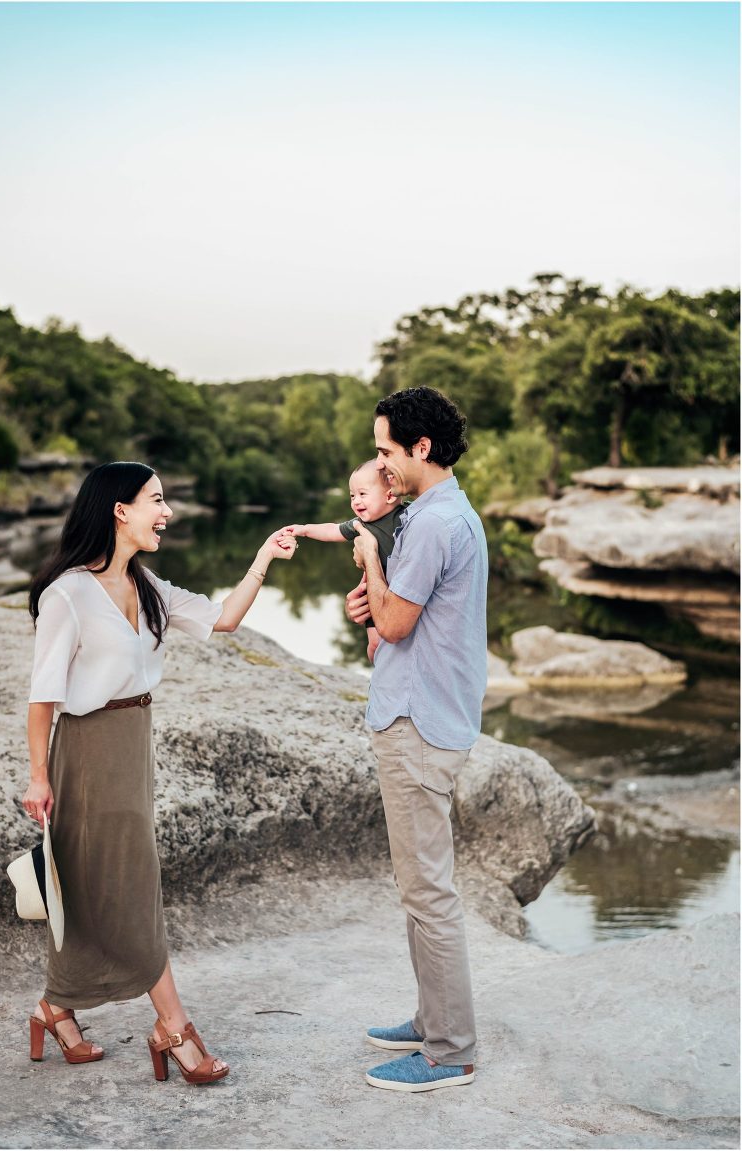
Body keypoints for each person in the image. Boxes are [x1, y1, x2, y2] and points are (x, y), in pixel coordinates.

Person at [22, 461, 296, 1085]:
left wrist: (263, 560)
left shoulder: (148, 587)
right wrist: (39, 777)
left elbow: (223, 618)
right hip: (87, 750)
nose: (166, 512)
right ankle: (172, 1025)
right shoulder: (67, 592)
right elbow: (43, 698)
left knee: (99, 881)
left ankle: (54, 1008)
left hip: (133, 741)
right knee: (130, 882)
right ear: (120, 510)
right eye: (156, 500)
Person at [345, 386, 488, 1094]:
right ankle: (434, 1018)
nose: (381, 465)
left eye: (384, 451)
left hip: (419, 726)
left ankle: (449, 1051)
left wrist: (370, 560)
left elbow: (398, 624)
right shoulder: (443, 513)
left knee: (428, 892)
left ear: (420, 448)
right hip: (424, 714)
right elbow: (395, 625)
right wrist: (368, 605)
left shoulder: (432, 524)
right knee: (419, 889)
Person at [278, 460, 403, 661]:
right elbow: (332, 530)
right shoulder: (361, 524)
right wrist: (304, 529)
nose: (355, 501)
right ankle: (379, 672)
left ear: (389, 495)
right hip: (375, 596)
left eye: (362, 494)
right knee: (375, 643)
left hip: (401, 593)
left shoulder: (408, 516)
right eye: (352, 495)